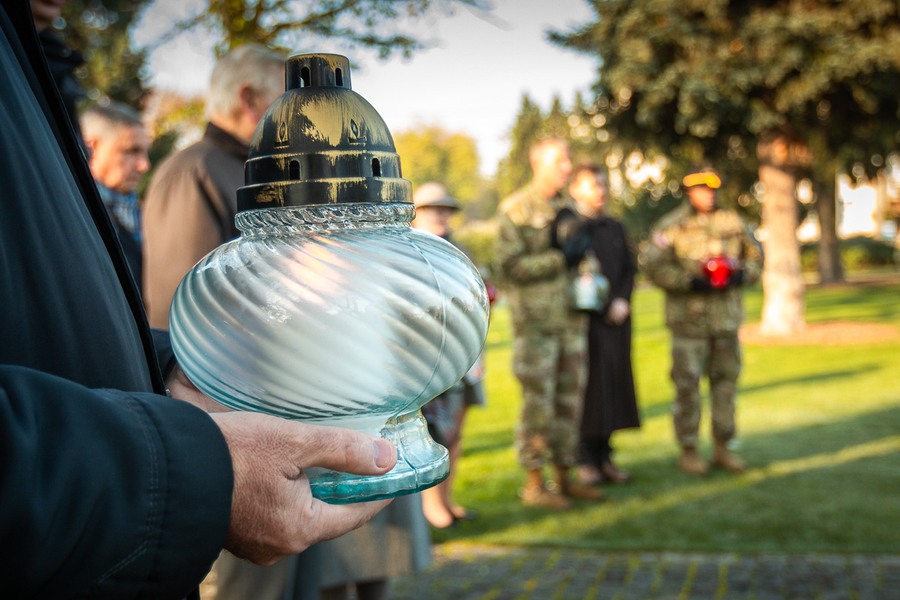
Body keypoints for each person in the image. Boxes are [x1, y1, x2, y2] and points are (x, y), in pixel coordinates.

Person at [0, 3, 396, 597]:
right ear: (246, 99)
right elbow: (191, 294)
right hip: (217, 428)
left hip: (224, 420)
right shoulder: (196, 171)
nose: (310, 133)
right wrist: (205, 404)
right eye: (295, 115)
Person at [493, 137, 604, 509]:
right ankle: (534, 485)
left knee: (569, 403)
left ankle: (564, 478)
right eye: (559, 160)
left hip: (571, 321)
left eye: (568, 160)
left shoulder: (568, 208)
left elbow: (583, 255)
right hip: (537, 327)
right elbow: (508, 267)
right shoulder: (517, 210)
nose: (567, 167)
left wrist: (589, 273)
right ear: (537, 161)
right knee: (538, 406)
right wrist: (558, 259)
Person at [142, 43, 284, 328]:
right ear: (250, 100)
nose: (296, 114)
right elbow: (182, 307)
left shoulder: (250, 168)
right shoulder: (191, 172)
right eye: (286, 99)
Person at [641, 166, 763, 475]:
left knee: (725, 386)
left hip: (725, 322)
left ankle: (723, 446)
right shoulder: (673, 227)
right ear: (689, 192)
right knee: (687, 388)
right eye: (702, 189)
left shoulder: (734, 222)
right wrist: (688, 281)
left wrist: (740, 275)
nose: (709, 194)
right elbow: (653, 267)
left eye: (713, 189)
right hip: (689, 323)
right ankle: (689, 449)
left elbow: (757, 258)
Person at [557, 163, 640, 485]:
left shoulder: (614, 227)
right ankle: (585, 460)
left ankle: (606, 457)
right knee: (587, 391)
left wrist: (621, 300)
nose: (601, 192)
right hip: (582, 322)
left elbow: (629, 269)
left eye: (604, 185)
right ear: (576, 189)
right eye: (593, 185)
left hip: (616, 320)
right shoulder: (569, 227)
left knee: (613, 388)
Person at [411, 182, 487, 527]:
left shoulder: (459, 250)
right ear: (415, 214)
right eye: (432, 209)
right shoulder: (407, 252)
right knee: (431, 433)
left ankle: (448, 499)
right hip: (427, 357)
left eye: (446, 209)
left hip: (465, 353)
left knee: (456, 430)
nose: (441, 215)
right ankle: (432, 506)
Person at [80, 101, 151, 289]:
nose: (144, 165)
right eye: (131, 151)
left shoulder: (139, 210)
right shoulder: (76, 213)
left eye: (144, 152)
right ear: (91, 148)